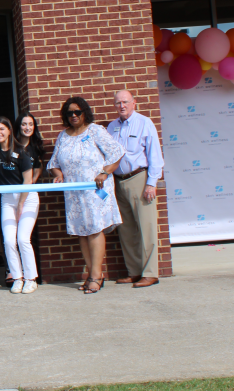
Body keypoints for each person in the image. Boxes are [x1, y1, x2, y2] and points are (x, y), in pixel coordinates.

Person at [47, 96, 124, 294]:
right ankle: (92, 275)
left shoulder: (95, 130)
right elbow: (54, 163)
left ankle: (97, 276)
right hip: (74, 193)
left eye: (77, 112)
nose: (73, 116)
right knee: (82, 231)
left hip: (95, 191)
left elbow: (117, 153)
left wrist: (104, 172)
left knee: (95, 229)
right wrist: (58, 175)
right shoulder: (63, 136)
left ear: (84, 113)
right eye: (69, 113)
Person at [106, 90, 164, 288]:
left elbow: (155, 155)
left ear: (134, 103)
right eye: (118, 103)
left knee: (146, 228)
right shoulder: (112, 127)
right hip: (118, 182)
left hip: (139, 179)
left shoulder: (144, 123)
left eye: (125, 102)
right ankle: (134, 272)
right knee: (126, 229)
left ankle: (150, 273)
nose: (122, 106)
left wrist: (151, 183)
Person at [0, 117, 38, 294]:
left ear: (9, 131)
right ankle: (17, 277)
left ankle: (31, 279)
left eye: (2, 129)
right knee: (9, 240)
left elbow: (28, 180)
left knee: (23, 239)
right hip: (7, 199)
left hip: (27, 198)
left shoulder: (21, 152)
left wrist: (21, 204)